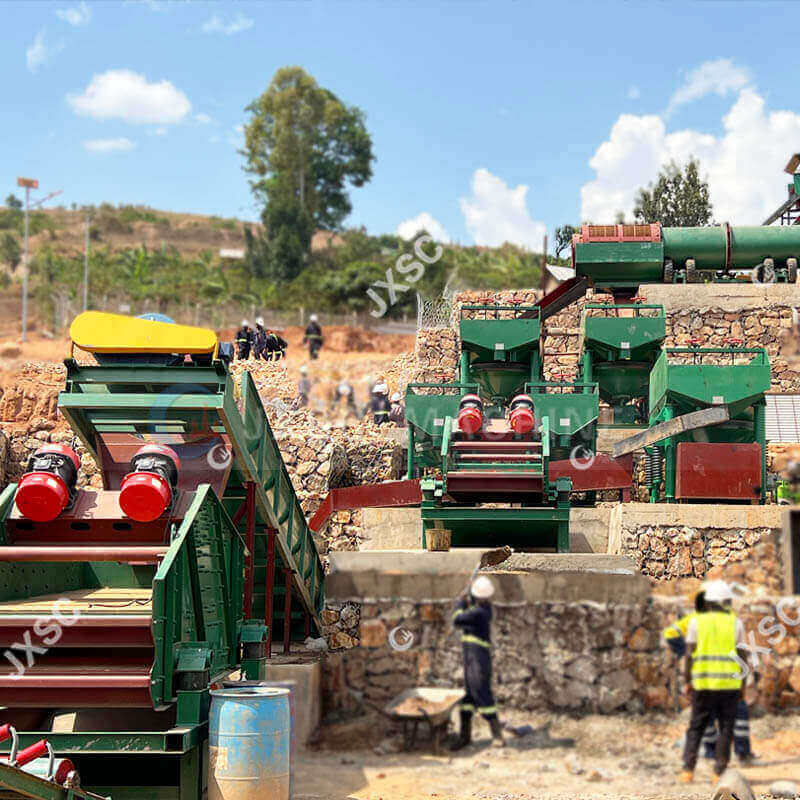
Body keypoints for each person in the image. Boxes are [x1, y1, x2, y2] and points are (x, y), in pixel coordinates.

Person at [680, 579, 747, 783]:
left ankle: (687, 771)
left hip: (703, 685)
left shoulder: (695, 622)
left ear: (707, 602)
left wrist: (687, 681)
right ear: (727, 602)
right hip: (729, 686)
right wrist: (743, 685)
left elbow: (690, 655)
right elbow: (742, 657)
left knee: (696, 726)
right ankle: (718, 772)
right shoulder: (736, 623)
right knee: (726, 728)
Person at [451, 575, 504, 750]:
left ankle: (498, 735)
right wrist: (469, 594)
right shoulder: (482, 608)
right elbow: (471, 606)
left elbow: (457, 620)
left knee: (482, 694)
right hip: (472, 658)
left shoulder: (478, 613)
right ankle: (464, 737)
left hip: (478, 660)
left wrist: (460, 602)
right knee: (467, 699)